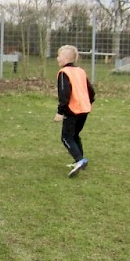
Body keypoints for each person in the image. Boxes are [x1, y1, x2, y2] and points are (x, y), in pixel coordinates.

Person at [54, 45, 95, 178]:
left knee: (66, 137)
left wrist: (60, 112)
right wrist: (89, 102)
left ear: (66, 58)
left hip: (72, 110)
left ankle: (79, 160)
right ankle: (81, 159)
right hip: (84, 109)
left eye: (59, 56)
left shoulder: (64, 73)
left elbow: (64, 93)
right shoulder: (81, 71)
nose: (57, 58)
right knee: (75, 134)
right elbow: (91, 90)